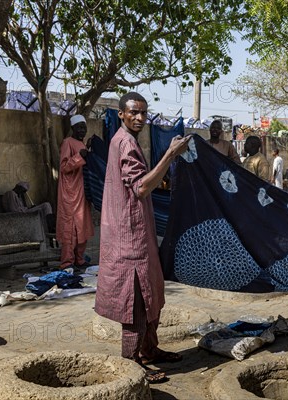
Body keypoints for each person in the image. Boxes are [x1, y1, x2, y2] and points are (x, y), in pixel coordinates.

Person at [95, 92, 190, 384]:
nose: (139, 118)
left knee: (152, 294)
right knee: (135, 301)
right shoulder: (124, 143)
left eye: (143, 113)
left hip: (138, 232)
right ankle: (132, 365)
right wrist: (170, 155)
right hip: (129, 237)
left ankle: (149, 350)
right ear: (121, 114)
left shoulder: (127, 141)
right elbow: (139, 188)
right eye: (133, 112)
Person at [56, 115, 94, 269]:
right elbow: (64, 167)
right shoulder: (67, 143)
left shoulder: (81, 143)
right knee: (69, 228)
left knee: (82, 227)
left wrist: (88, 150)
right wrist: (80, 156)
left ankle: (79, 259)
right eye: (79, 127)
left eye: (84, 127)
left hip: (82, 192)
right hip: (70, 193)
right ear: (72, 128)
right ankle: (67, 262)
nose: (82, 130)